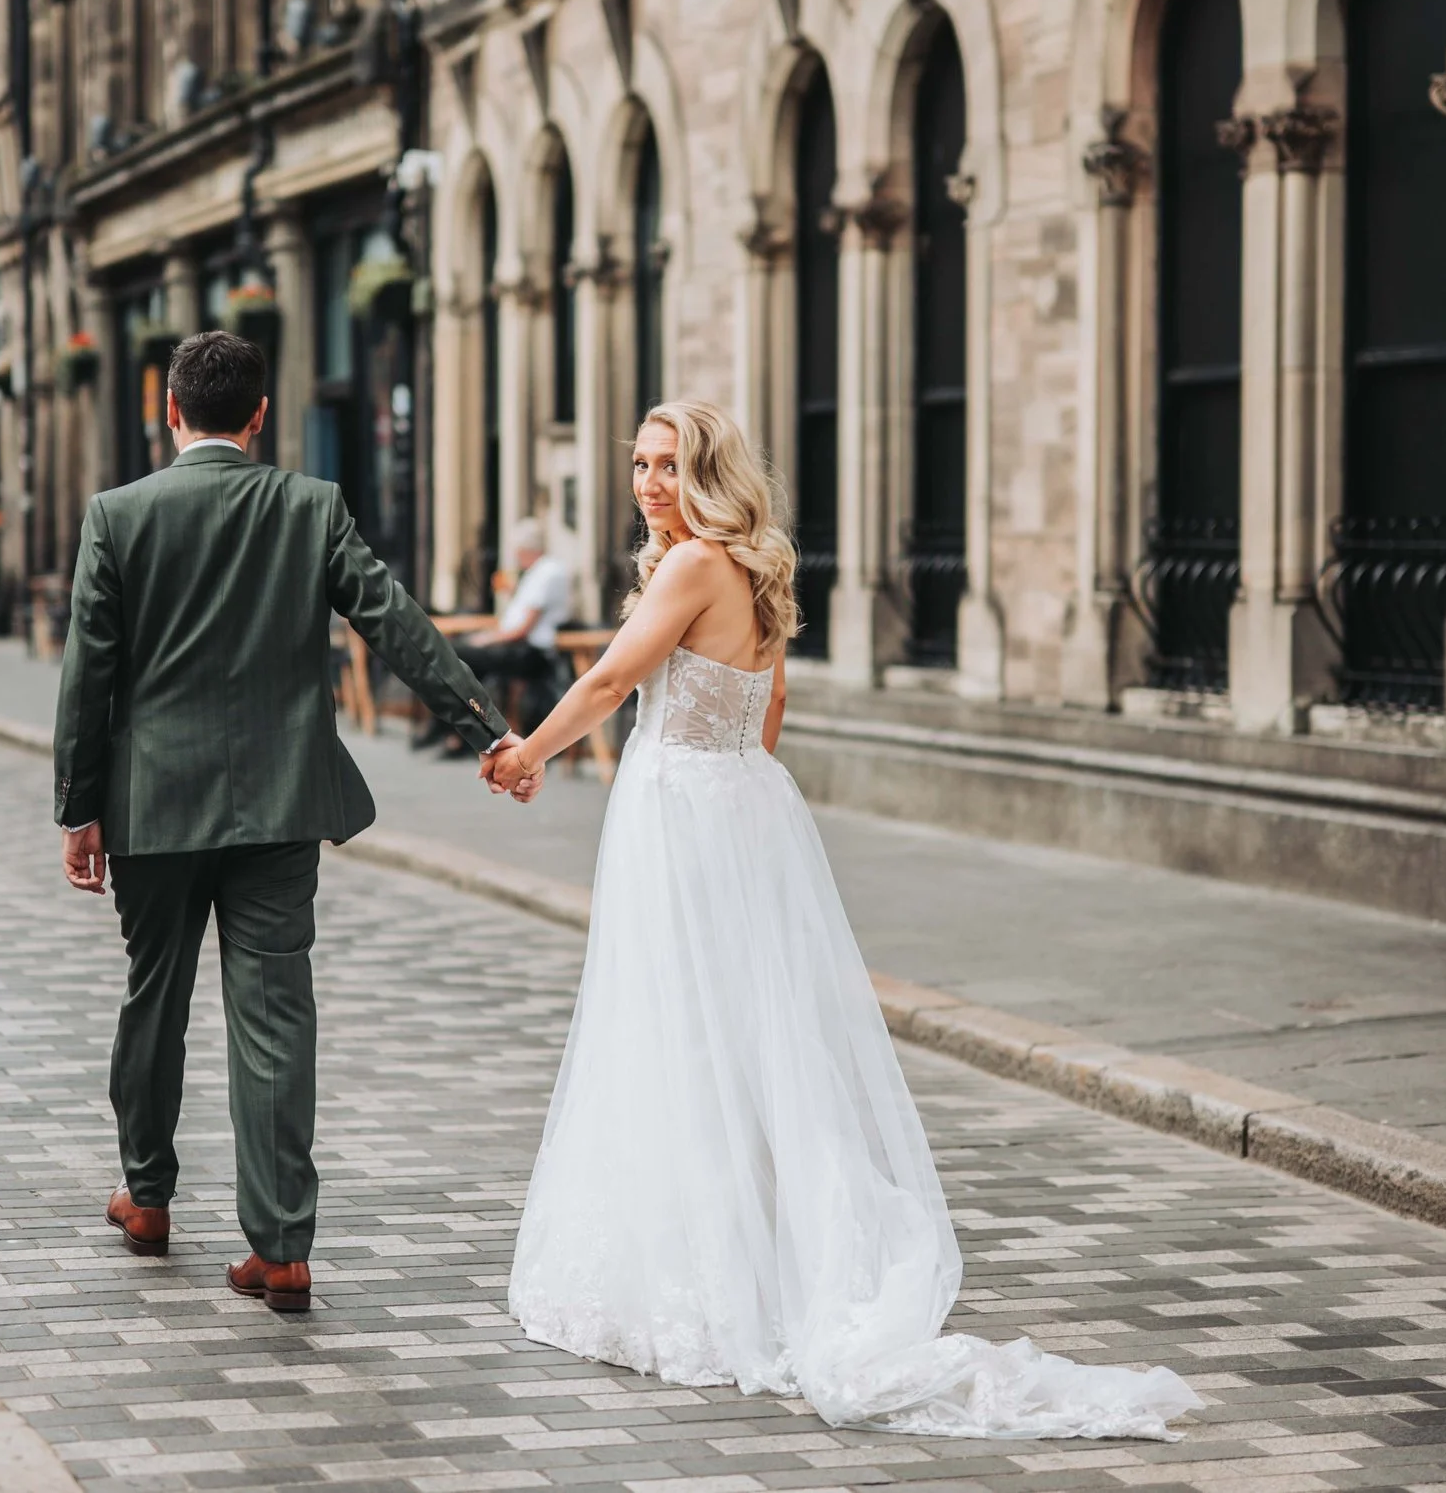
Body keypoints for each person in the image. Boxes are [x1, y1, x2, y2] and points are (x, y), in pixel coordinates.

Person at [483, 400, 1203, 1439]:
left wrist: (528, 751)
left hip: (683, 814)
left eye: (667, 464)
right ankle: (763, 1250)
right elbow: (767, 717)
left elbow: (608, 677)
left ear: (710, 469)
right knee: (746, 1036)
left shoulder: (689, 568)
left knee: (685, 1029)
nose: (646, 482)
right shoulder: (755, 572)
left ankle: (713, 1270)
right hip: (745, 807)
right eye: (638, 464)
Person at [54, 330, 533, 1314]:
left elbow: (86, 671)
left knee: (154, 997)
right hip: (279, 807)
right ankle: (281, 1247)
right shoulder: (308, 507)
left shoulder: (117, 515)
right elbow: (394, 619)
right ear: (261, 415)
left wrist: (78, 807)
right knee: (274, 1014)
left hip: (152, 808)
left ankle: (146, 1196)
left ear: (170, 412)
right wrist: (484, 725)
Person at [420, 517, 576, 753]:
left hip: (529, 653)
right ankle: (456, 732)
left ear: (526, 549)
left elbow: (521, 630)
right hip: (517, 647)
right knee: (465, 667)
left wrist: (486, 639)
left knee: (455, 655)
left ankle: (449, 729)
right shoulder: (534, 573)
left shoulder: (548, 572)